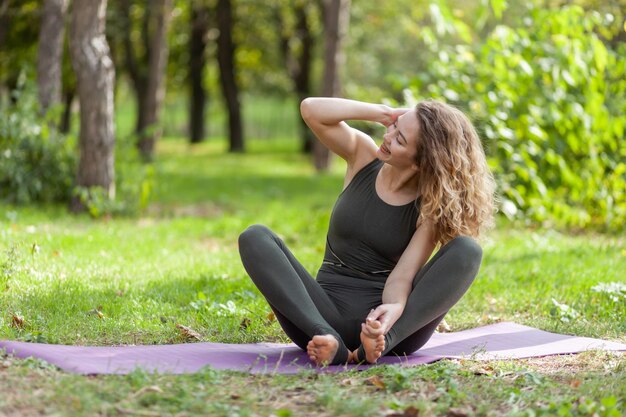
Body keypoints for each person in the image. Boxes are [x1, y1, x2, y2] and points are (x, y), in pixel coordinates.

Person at [238, 97, 496, 366]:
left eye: (400, 140)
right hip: (320, 314)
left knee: (467, 250)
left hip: (386, 327)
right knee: (255, 237)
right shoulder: (363, 156)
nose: (388, 136)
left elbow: (402, 276)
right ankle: (329, 341)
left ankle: (372, 348)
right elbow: (311, 110)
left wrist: (391, 313)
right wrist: (384, 113)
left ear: (420, 162)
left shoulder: (430, 207)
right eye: (395, 127)